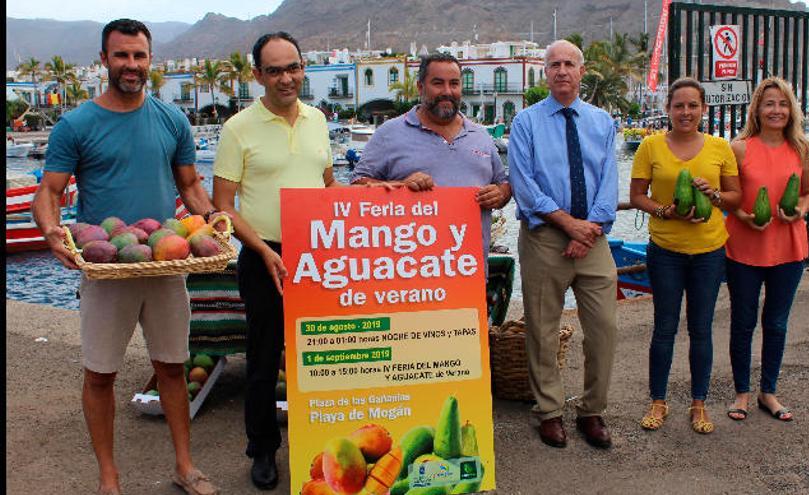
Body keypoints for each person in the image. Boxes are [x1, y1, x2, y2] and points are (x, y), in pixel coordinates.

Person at [32, 19, 221, 495]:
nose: (131, 65)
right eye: (121, 56)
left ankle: (185, 465)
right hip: (107, 267)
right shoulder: (76, 124)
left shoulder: (172, 120)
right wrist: (52, 231)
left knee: (173, 368)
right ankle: (109, 479)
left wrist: (215, 224)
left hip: (165, 264)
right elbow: (48, 192)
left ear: (150, 60)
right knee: (100, 374)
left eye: (139, 56)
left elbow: (191, 187)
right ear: (104, 60)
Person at [211, 31, 342, 490]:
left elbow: (327, 186)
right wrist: (263, 249)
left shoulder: (319, 119)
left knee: (322, 354)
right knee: (264, 359)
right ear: (257, 75)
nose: (286, 78)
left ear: (303, 67)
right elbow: (222, 205)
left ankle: (324, 443)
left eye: (293, 67)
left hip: (317, 255)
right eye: (275, 70)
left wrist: (382, 197)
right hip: (264, 254)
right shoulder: (238, 129)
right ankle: (263, 449)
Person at [508, 40, 619, 450]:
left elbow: (609, 183)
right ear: (545, 72)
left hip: (593, 239)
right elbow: (523, 184)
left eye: (569, 63)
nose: (561, 71)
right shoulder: (526, 123)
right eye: (554, 64)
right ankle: (549, 411)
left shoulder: (601, 122)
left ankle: (592, 409)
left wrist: (587, 228)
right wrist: (568, 225)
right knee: (542, 328)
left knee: (604, 328)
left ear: (581, 71)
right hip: (544, 238)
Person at [629, 77, 742, 434]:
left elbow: (736, 196)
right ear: (668, 110)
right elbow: (637, 197)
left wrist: (716, 196)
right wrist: (665, 211)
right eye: (679, 105)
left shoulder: (720, 147)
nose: (686, 112)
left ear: (703, 109)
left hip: (709, 251)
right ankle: (658, 401)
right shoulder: (650, 146)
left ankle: (699, 404)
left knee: (701, 330)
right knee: (664, 328)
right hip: (665, 251)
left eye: (693, 105)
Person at [351, 52, 511, 261]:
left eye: (454, 83)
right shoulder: (389, 133)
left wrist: (500, 194)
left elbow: (503, 183)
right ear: (420, 87)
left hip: (469, 272)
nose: (447, 91)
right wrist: (399, 187)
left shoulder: (480, 135)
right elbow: (355, 187)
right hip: (409, 273)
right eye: (438, 83)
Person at [724, 77, 809, 422]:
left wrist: (801, 210)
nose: (776, 110)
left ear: (791, 109)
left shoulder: (802, 149)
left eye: (782, 104)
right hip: (744, 247)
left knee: (776, 323)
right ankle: (742, 393)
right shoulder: (739, 148)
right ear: (757, 110)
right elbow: (727, 198)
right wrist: (745, 216)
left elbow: (808, 193)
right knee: (743, 322)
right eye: (769, 104)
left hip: (789, 247)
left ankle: (769, 392)